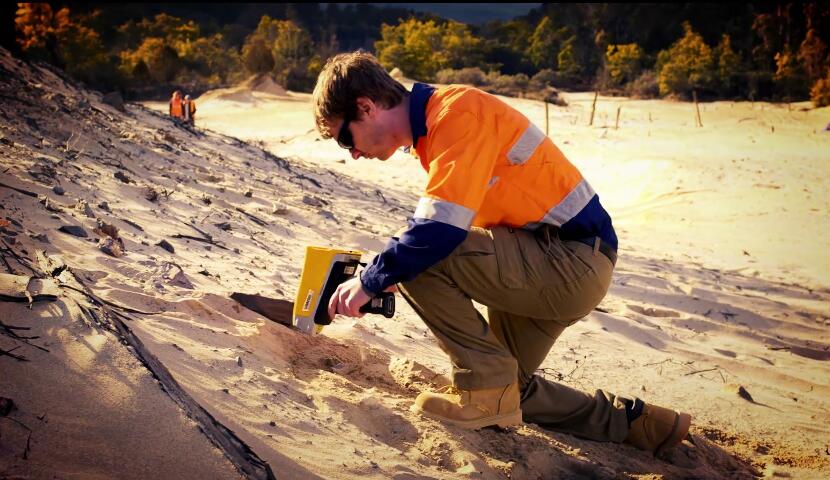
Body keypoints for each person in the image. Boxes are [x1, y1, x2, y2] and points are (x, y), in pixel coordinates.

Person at [314, 51, 691, 456]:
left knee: (421, 261)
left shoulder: (457, 114)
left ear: (366, 107)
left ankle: (486, 392)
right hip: (558, 260)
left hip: (570, 260)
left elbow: (437, 231)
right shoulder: (436, 129)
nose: (352, 153)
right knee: (513, 390)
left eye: (345, 139)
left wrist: (371, 280)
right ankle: (641, 424)